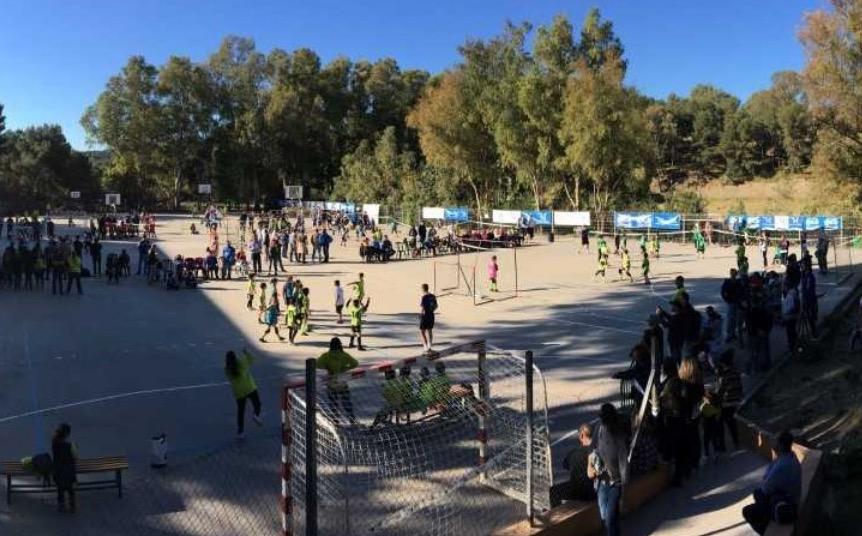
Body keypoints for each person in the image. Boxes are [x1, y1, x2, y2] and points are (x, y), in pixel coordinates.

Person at [742, 431, 802, 534]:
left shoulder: (782, 466)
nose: (771, 442)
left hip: (787, 502)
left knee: (748, 510)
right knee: (757, 494)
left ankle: (765, 531)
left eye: (775, 441)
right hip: (787, 495)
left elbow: (765, 488)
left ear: (781, 446)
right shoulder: (790, 456)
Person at [589, 403, 629, 536]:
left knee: (609, 519)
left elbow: (623, 461)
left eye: (606, 417)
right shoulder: (599, 428)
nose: (604, 420)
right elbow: (591, 449)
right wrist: (590, 466)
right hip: (602, 481)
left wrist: (624, 485)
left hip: (615, 483)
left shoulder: (618, 434)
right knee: (605, 516)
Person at [550, 423, 596, 507]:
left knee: (553, 491)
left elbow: (565, 465)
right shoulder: (596, 451)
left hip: (577, 491)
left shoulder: (574, 453)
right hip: (593, 491)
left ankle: (558, 514)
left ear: (582, 436)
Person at [317, 337, 359, 422]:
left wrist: (327, 367)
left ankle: (335, 419)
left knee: (333, 402)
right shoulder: (343, 355)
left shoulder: (326, 356)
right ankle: (351, 419)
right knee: (346, 401)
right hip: (342, 382)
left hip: (331, 382)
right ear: (340, 345)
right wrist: (346, 368)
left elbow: (317, 364)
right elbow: (355, 363)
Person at [225, 349, 263, 439]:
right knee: (257, 403)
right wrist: (246, 352)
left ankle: (240, 432)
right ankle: (256, 415)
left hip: (238, 392)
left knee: (241, 412)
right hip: (249, 387)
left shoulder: (227, 369)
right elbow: (251, 359)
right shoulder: (241, 363)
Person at [716, 349, 743, 450]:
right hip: (735, 400)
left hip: (726, 402)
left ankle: (722, 445)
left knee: (720, 422)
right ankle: (736, 442)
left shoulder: (724, 376)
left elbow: (720, 391)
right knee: (732, 423)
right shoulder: (735, 371)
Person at [52, 423, 77, 513]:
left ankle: (61, 504)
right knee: (70, 489)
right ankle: (72, 505)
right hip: (68, 471)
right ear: (66, 434)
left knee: (60, 488)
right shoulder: (69, 446)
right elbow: (74, 457)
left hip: (58, 470)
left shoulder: (54, 443)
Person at [781, 281, 800, 351]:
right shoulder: (790, 294)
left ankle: (792, 345)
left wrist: (785, 312)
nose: (783, 288)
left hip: (790, 316)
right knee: (791, 331)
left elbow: (791, 307)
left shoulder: (790, 295)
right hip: (791, 316)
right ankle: (793, 344)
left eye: (784, 286)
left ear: (787, 287)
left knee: (790, 331)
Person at [420, 283, 438, 352]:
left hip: (425, 315)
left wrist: (421, 315)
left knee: (422, 331)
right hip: (431, 314)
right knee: (429, 330)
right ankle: (430, 346)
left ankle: (425, 345)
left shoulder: (424, 297)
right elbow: (436, 306)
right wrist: (432, 310)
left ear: (422, 289)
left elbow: (423, 307)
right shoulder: (433, 296)